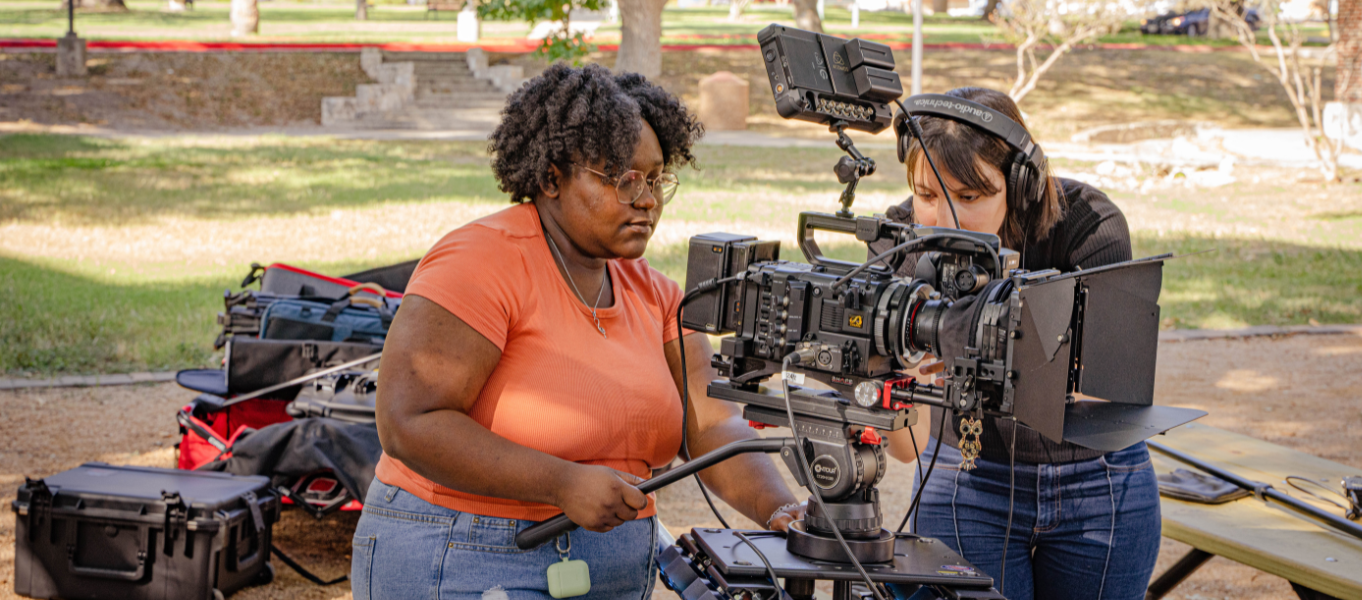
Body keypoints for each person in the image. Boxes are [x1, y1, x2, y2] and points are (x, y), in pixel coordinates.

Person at [352, 64, 806, 599]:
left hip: (609, 570)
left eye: (657, 179)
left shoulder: (656, 294)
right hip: (466, 557)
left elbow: (710, 427)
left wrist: (782, 509)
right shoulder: (479, 263)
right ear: (550, 178)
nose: (648, 200)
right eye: (622, 179)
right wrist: (561, 482)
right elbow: (409, 423)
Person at [878, 87, 1160, 600]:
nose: (946, 219)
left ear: (1021, 184)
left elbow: (1107, 393)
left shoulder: (1091, 225)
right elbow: (903, 450)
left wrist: (984, 342)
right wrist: (893, 378)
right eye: (926, 195)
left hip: (1096, 481)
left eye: (970, 197)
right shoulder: (900, 237)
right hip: (966, 471)